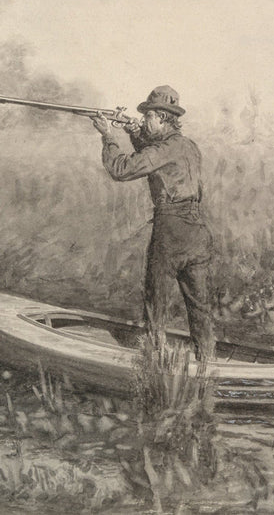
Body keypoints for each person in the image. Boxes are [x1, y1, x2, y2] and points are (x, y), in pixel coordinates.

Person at [90, 85, 215, 363]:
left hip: (172, 229)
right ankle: (208, 363)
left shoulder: (164, 148)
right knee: (199, 306)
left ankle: (153, 361)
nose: (144, 121)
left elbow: (121, 169)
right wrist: (134, 132)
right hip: (197, 230)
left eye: (147, 117)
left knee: (155, 298)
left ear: (160, 117)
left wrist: (108, 136)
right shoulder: (187, 146)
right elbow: (156, 158)